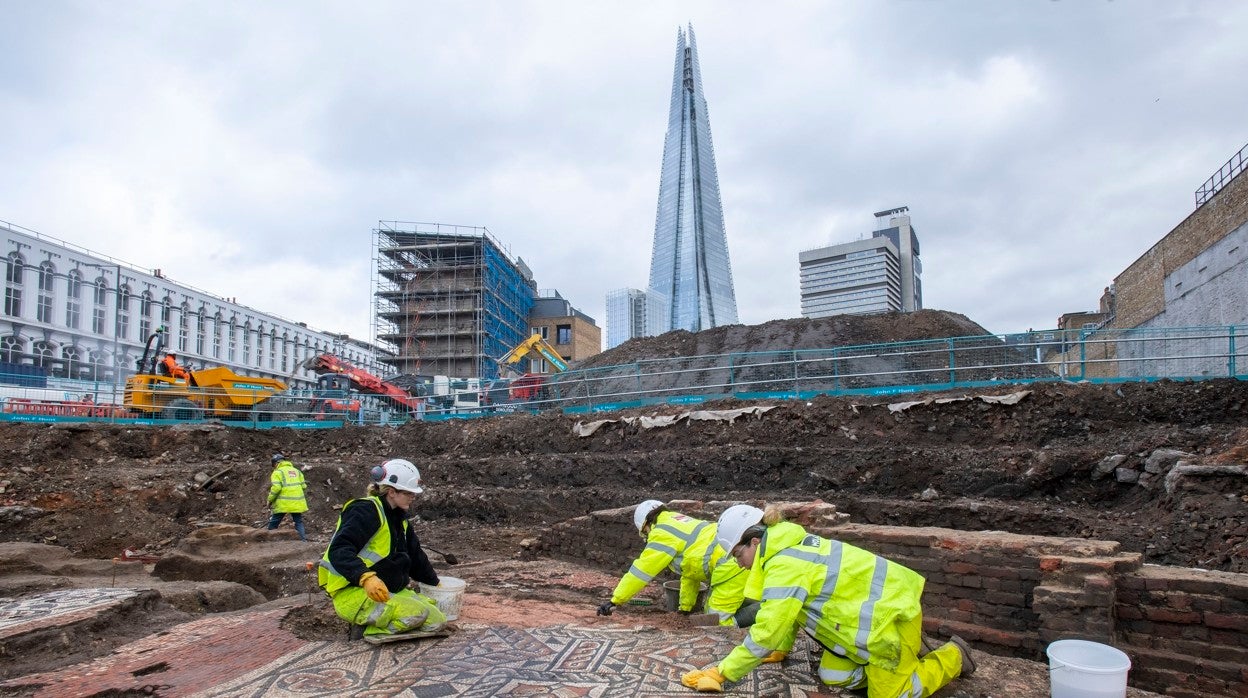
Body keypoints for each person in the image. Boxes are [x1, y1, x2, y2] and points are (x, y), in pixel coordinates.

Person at [680, 504, 975, 695]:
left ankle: (952, 657)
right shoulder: (784, 549)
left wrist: (721, 672)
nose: (738, 563)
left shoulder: (784, 564)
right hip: (866, 627)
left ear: (754, 542)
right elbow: (790, 611)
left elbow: (768, 629)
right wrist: (781, 650)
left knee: (895, 694)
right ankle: (900, 661)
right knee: (833, 675)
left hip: (890, 621)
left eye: (737, 554)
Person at [317, 458, 446, 643]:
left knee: (437, 621)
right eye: (409, 492)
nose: (413, 497)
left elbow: (416, 558)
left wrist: (435, 583)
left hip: (389, 591)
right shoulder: (365, 511)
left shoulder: (400, 520)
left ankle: (386, 623)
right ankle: (366, 632)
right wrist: (365, 577)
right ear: (392, 492)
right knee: (417, 614)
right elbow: (339, 549)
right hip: (355, 592)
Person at [597, 500, 756, 628]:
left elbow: (640, 572)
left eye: (645, 534)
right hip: (739, 555)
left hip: (732, 561)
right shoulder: (679, 522)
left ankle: (762, 616)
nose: (647, 537)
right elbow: (691, 572)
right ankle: (763, 609)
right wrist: (685, 609)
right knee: (718, 610)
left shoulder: (661, 533)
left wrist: (615, 600)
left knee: (715, 623)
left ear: (645, 526)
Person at [266, 453, 308, 541]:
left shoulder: (277, 472)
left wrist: (270, 500)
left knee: (274, 522)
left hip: (283, 503)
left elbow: (276, 488)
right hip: (297, 502)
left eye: (274, 465)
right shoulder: (297, 471)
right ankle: (303, 541)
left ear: (276, 463)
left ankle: (268, 540)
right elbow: (304, 486)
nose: (274, 467)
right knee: (298, 522)